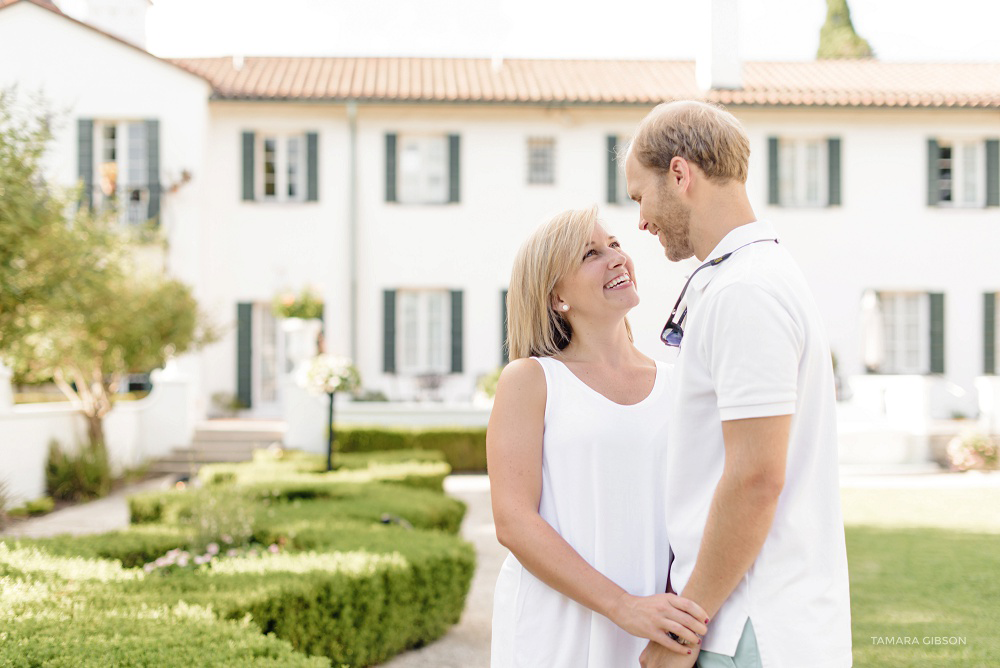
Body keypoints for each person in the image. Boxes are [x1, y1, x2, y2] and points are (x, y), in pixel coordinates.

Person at [624, 100, 852, 668]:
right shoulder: (748, 278)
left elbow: (754, 478)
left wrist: (681, 633)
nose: (642, 221)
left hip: (747, 630)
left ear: (680, 175)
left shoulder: (745, 292)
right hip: (753, 623)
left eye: (639, 196)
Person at [488, 206, 709, 667]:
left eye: (615, 245)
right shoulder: (530, 380)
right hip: (553, 630)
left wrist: (669, 617)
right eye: (591, 253)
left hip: (651, 627)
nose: (616, 258)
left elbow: (697, 516)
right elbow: (514, 522)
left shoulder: (679, 384)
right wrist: (620, 606)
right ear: (556, 298)